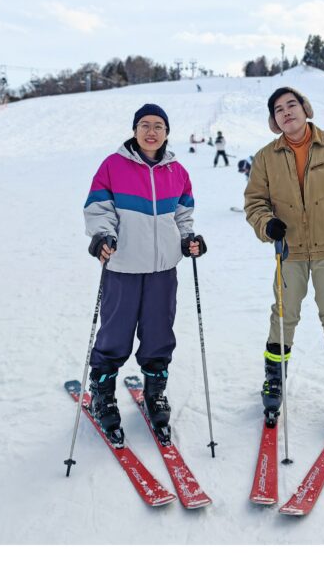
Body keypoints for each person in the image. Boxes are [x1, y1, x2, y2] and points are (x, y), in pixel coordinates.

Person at [244, 86, 324, 439]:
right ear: (274, 120)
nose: (286, 112)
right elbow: (255, 202)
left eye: (292, 105)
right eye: (278, 109)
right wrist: (266, 225)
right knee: (284, 315)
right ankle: (274, 381)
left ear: (305, 108)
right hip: (291, 252)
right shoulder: (266, 158)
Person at [83, 103, 207, 447]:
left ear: (167, 132)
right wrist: (102, 236)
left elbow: (184, 215)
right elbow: (98, 208)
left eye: (158, 126)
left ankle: (155, 393)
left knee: (158, 334)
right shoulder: (113, 166)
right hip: (122, 267)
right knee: (115, 333)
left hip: (163, 270)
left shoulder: (177, 171)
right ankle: (103, 394)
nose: (151, 131)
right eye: (144, 125)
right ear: (134, 130)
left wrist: (189, 239)